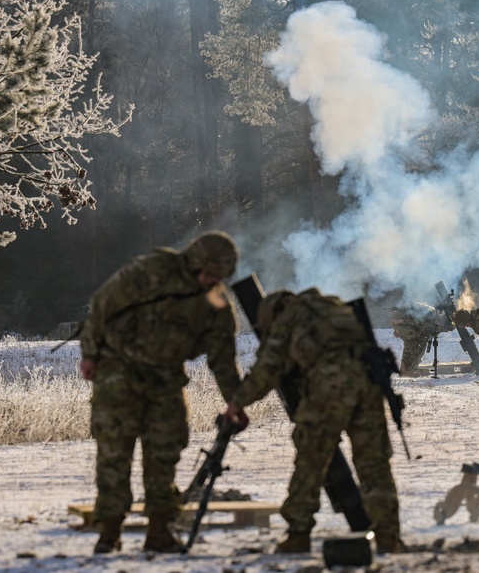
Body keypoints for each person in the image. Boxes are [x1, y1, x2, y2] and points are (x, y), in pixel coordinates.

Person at [79, 231, 247, 554]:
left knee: (164, 455)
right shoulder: (150, 270)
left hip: (165, 380)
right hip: (118, 372)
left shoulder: (215, 302)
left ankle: (159, 531)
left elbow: (222, 358)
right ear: (194, 261)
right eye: (209, 273)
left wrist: (234, 400)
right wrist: (90, 354)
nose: (211, 281)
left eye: (219, 277)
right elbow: (102, 304)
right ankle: (109, 532)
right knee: (114, 455)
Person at [223, 288, 403, 555]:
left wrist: (238, 402)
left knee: (311, 459)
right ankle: (388, 535)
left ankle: (298, 533)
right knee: (373, 461)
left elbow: (268, 368)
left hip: (328, 385)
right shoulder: (333, 306)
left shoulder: (289, 317)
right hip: (368, 382)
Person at [391, 302, 454, 376]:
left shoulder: (434, 317)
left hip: (418, 331)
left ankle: (413, 368)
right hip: (409, 329)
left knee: (420, 348)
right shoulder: (429, 314)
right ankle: (405, 371)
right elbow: (399, 320)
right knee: (411, 348)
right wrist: (402, 321)